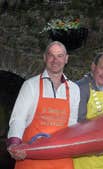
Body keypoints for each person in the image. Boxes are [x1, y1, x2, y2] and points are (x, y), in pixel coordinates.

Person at [6, 41, 80, 169]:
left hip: (62, 161)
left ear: (66, 59)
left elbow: (72, 124)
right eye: (51, 55)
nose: (55, 60)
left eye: (60, 56)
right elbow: (18, 119)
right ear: (44, 58)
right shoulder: (30, 85)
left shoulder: (74, 89)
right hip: (31, 160)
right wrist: (14, 144)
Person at [73, 52, 103, 169]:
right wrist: (95, 146)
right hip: (88, 153)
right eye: (102, 68)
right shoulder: (80, 87)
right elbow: (79, 122)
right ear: (93, 67)